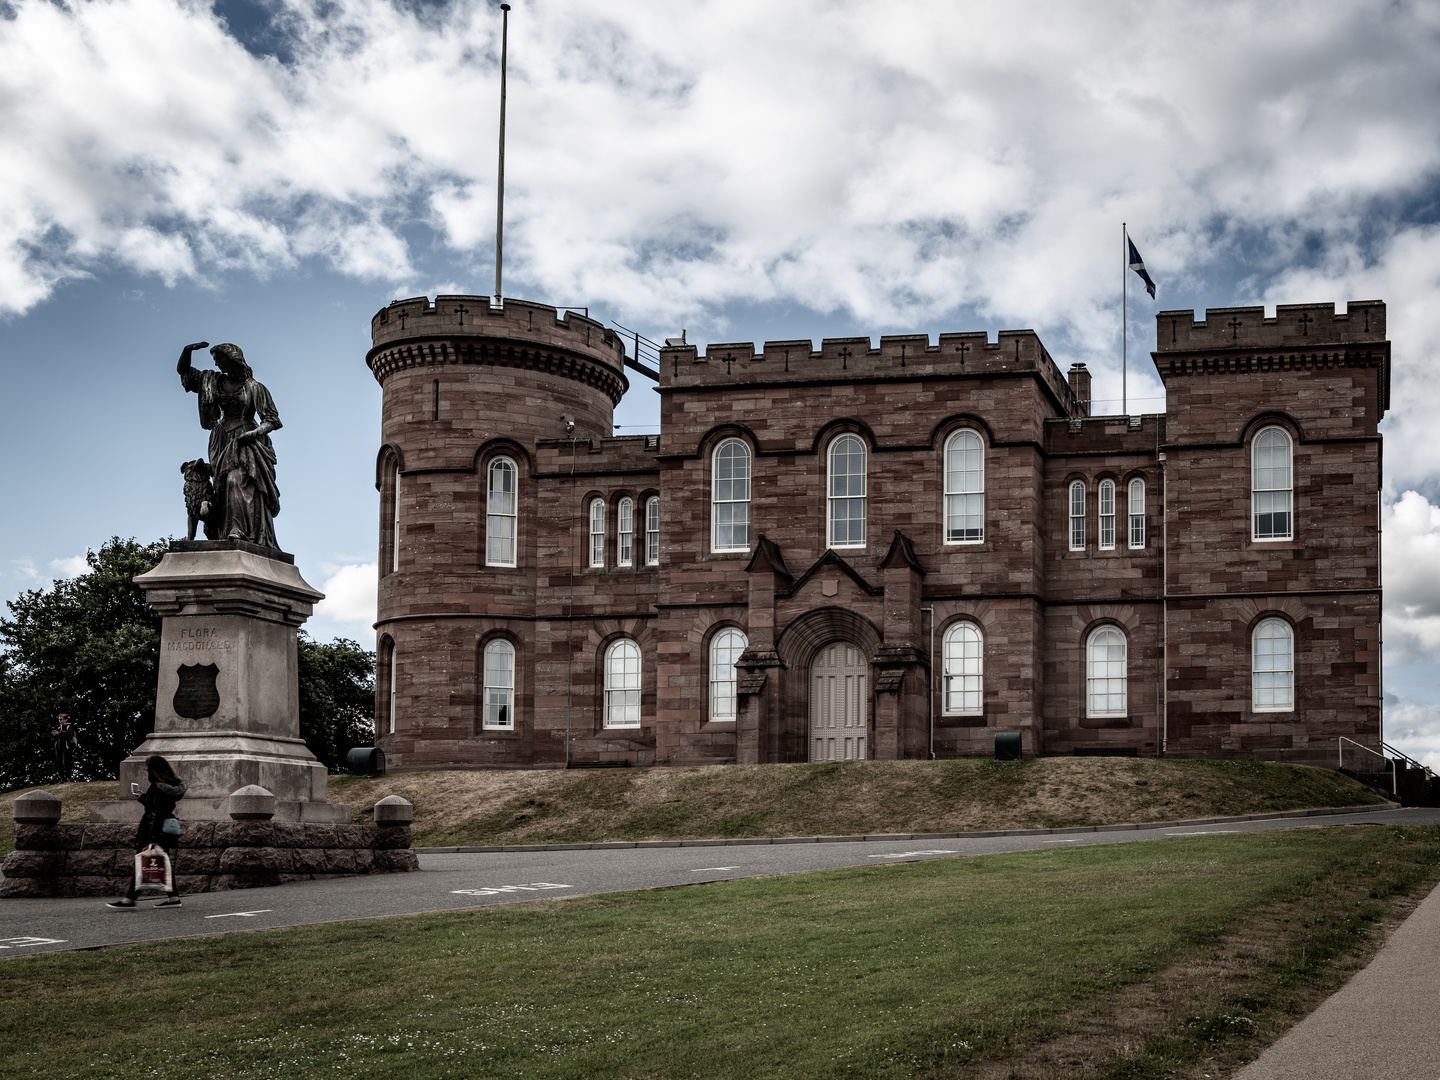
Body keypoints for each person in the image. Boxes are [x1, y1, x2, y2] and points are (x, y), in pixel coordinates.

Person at [176, 341, 283, 549]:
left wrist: (255, 433)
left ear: (233, 359)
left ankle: (241, 530)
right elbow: (184, 372)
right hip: (219, 440)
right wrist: (187, 351)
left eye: (221, 360)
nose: (218, 365)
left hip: (246, 439)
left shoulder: (255, 388)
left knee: (238, 480)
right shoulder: (213, 381)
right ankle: (223, 534)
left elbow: (272, 420)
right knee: (221, 486)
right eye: (215, 361)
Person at [106, 755, 187, 909]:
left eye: (148, 769)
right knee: (163, 864)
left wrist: (153, 839)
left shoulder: (158, 788)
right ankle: (173, 897)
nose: (147, 771)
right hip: (164, 830)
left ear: (154, 770)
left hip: (153, 830)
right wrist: (142, 797)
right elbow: (158, 808)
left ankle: (129, 899)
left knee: (140, 862)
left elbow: (158, 814)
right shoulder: (168, 787)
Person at [50, 713, 78, 782]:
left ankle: (69, 778)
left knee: (65, 762)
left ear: (66, 720)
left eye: (61, 719)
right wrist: (54, 735)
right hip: (59, 747)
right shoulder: (59, 728)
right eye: (59, 719)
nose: (60, 721)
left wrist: (60, 734)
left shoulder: (69, 727)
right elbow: (57, 738)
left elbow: (69, 736)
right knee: (59, 763)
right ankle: (62, 778)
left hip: (67, 747)